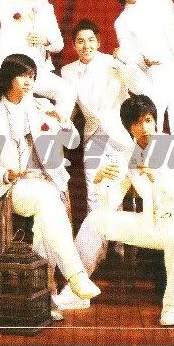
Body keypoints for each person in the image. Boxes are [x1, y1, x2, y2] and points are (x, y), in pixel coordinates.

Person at [59, 94, 174, 326]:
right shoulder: (129, 154)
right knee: (95, 220)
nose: (144, 127)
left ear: (155, 121)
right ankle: (75, 292)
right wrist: (101, 181)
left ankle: (172, 305)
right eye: (137, 123)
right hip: (156, 223)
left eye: (148, 120)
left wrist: (159, 178)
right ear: (129, 128)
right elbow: (109, 204)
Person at [0, 54, 101, 320]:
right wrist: (7, 174)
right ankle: (76, 275)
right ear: (8, 78)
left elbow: (73, 143)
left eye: (32, 76)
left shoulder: (43, 106)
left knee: (48, 218)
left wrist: (64, 122)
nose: (28, 81)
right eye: (22, 75)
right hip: (16, 186)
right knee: (48, 199)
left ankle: (45, 298)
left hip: (51, 182)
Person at [60, 19, 153, 212]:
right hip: (93, 135)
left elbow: (140, 89)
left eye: (91, 40)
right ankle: (97, 231)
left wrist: (126, 64)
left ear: (98, 42)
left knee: (125, 186)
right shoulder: (68, 71)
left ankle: (125, 231)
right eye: (80, 41)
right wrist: (61, 119)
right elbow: (68, 102)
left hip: (121, 133)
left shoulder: (113, 62)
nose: (86, 46)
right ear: (74, 45)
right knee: (95, 189)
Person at [110, 0, 174, 137]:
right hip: (154, 76)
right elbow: (127, 51)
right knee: (155, 126)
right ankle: (155, 154)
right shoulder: (122, 21)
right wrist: (143, 61)